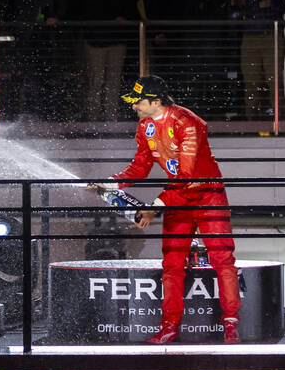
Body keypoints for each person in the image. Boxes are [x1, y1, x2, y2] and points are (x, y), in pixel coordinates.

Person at [92, 75, 240, 344]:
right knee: (172, 264)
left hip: (208, 196)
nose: (134, 107)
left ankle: (231, 324)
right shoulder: (144, 126)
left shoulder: (188, 123)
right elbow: (140, 167)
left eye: (138, 102)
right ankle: (169, 326)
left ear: (156, 101)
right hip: (178, 198)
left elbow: (186, 175)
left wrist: (154, 207)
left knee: (222, 258)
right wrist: (110, 184)